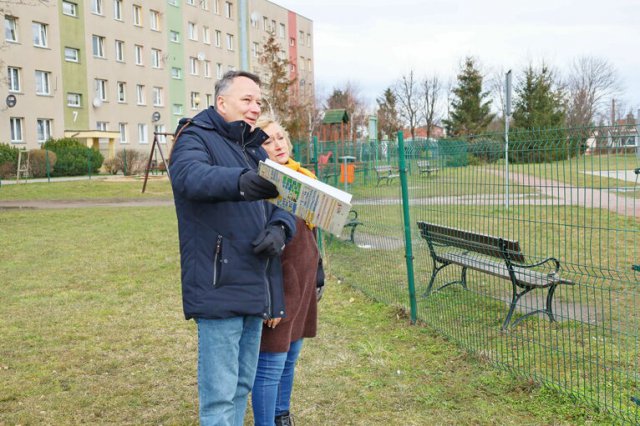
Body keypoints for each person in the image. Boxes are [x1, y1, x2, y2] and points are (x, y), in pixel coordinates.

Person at [169, 71, 297, 426]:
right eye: (247, 100)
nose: (255, 108)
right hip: (218, 282)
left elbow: (282, 199)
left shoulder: (252, 146)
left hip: (255, 279)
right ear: (221, 102)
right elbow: (191, 177)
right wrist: (243, 182)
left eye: (258, 101)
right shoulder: (194, 136)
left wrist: (279, 228)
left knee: (242, 386)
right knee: (219, 396)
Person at [251, 115, 324, 426]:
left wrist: (318, 273)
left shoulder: (303, 178)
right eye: (267, 140)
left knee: (291, 356)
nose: (277, 144)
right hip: (278, 286)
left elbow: (311, 235)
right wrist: (269, 298)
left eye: (280, 137)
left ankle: (282, 415)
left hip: (303, 283)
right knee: (270, 363)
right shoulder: (260, 185)